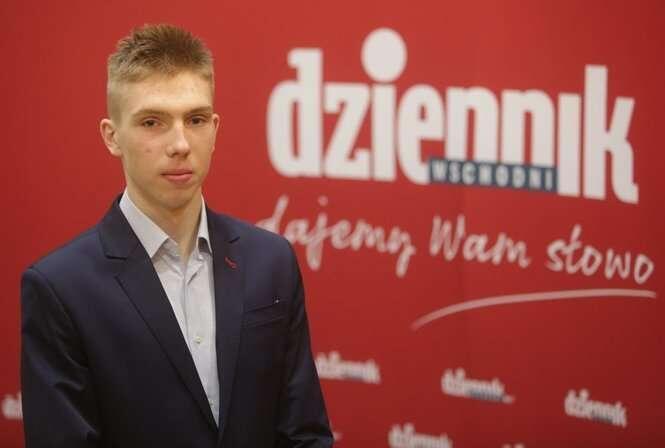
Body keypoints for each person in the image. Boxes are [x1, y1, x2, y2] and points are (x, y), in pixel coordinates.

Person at [20, 24, 333, 448]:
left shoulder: (271, 261)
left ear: (215, 129)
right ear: (112, 136)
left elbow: (305, 433)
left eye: (196, 119)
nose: (180, 143)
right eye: (153, 122)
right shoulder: (60, 289)